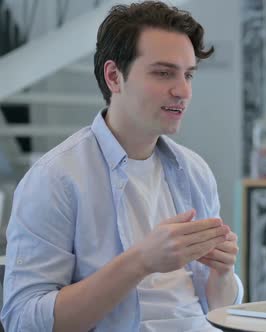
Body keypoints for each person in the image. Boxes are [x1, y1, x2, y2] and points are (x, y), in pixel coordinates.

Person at [1, 2, 242, 331]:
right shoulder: (55, 178)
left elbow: (219, 308)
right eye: (163, 73)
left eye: (188, 75)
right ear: (114, 76)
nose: (183, 90)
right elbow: (23, 321)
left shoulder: (194, 172)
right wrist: (140, 261)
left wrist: (223, 272)